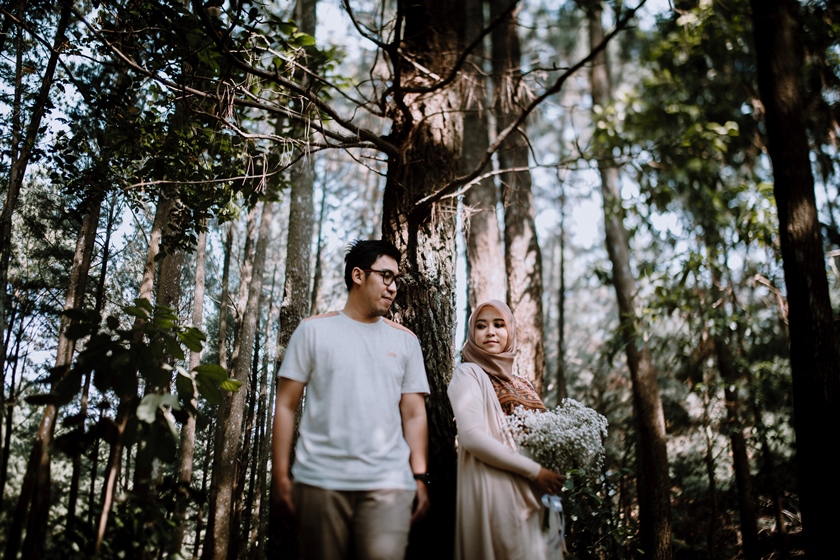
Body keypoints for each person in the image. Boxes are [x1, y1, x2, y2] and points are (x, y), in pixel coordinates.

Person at [271, 239, 431, 560]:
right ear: (358, 275)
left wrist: (419, 477)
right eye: (386, 276)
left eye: (396, 279)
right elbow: (286, 406)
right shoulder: (312, 331)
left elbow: (414, 414)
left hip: (389, 486)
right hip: (319, 482)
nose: (393, 287)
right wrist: (280, 477)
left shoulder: (406, 341)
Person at [447, 299, 566, 560]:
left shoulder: (523, 383)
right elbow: (471, 437)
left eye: (499, 324)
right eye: (481, 326)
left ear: (510, 331)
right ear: (472, 333)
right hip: (497, 491)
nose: (490, 331)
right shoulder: (469, 374)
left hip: (538, 495)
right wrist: (535, 472)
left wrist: (556, 521)